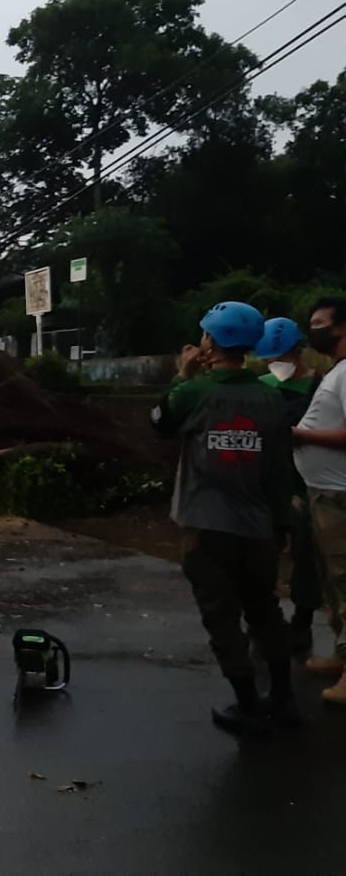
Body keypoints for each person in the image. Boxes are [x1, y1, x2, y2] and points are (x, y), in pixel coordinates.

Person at [150, 301, 295, 735]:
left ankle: (248, 706)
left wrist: (182, 373)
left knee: (221, 617)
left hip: (207, 526)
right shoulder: (270, 396)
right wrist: (282, 524)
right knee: (266, 610)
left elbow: (160, 422)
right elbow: (279, 469)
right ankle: (284, 699)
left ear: (211, 341)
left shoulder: (194, 392)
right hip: (258, 527)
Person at [254, 317, 321, 657]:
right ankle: (266, 620)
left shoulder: (320, 387)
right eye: (268, 359)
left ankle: (303, 621)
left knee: (305, 554)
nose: (274, 365)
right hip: (265, 483)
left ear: (299, 352)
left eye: (279, 357)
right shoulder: (261, 386)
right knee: (260, 555)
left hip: (305, 483)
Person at [291, 297, 346, 704]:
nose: (314, 330)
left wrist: (300, 435)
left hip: (339, 496)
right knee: (332, 582)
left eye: (319, 323)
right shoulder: (337, 371)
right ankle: (343, 657)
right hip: (323, 493)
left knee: (345, 581)